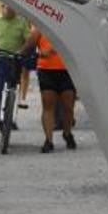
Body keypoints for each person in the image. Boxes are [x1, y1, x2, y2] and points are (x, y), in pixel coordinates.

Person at [21, 26, 77, 154]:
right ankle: (48, 140)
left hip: (68, 70)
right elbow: (30, 45)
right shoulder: (41, 25)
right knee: (48, 105)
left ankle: (67, 133)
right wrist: (37, 53)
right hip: (46, 70)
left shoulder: (69, 24)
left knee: (68, 106)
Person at [0, 4, 31, 136]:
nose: (11, 12)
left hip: (15, 60)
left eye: (13, 10)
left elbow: (28, 40)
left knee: (13, 88)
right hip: (0, 59)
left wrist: (22, 51)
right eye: (8, 10)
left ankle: (11, 118)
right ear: (2, 7)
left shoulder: (21, 22)